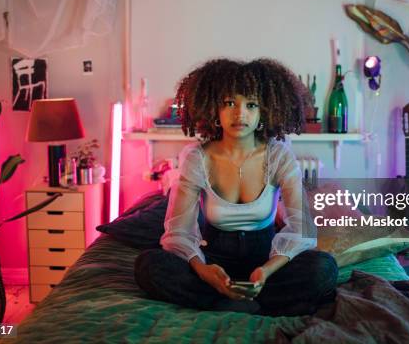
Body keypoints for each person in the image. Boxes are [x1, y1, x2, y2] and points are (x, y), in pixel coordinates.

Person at [134, 58, 338, 316]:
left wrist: (266, 271)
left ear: (263, 111)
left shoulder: (279, 157)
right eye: (229, 103)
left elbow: (301, 230)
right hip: (214, 259)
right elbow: (179, 232)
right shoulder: (197, 158)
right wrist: (204, 271)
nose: (240, 114)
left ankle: (231, 300)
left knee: (324, 268)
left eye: (251, 105)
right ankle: (243, 300)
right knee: (148, 265)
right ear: (215, 110)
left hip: (265, 260)